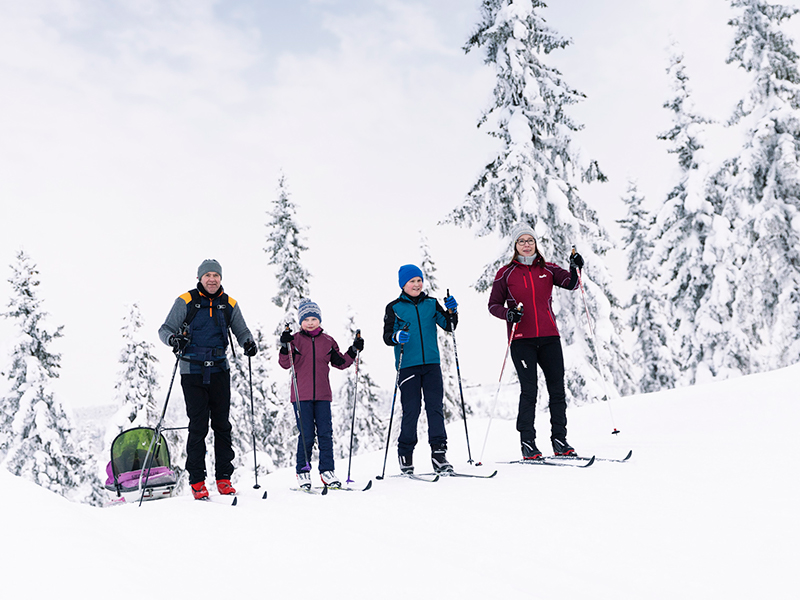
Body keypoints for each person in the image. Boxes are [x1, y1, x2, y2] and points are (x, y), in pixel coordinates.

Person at [158, 259, 257, 500]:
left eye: (216, 275)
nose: (212, 279)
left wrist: (248, 343)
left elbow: (241, 330)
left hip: (220, 370)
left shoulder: (228, 303)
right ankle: (198, 481)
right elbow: (164, 330)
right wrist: (174, 340)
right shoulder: (186, 301)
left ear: (221, 278)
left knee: (222, 425)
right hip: (192, 370)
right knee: (198, 425)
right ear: (199, 278)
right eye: (207, 275)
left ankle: (224, 479)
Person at [487, 224, 584, 460]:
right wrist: (508, 314)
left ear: (536, 243)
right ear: (515, 245)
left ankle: (560, 440)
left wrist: (576, 267)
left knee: (557, 390)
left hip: (550, 337)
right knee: (529, 391)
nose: (527, 244)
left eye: (530, 240)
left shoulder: (548, 269)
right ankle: (528, 443)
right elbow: (493, 305)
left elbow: (572, 283)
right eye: (522, 241)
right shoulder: (505, 273)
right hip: (522, 340)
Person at [278, 299, 363, 490]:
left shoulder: (328, 341)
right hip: (301, 396)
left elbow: (340, 362)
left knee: (325, 434)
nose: (310, 322)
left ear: (319, 320)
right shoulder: (295, 340)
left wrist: (354, 350)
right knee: (306, 434)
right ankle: (303, 471)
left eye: (313, 319)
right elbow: (285, 363)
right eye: (306, 319)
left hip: (323, 395)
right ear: (300, 322)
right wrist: (285, 345)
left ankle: (327, 471)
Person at [383, 264, 459, 474]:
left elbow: (449, 325)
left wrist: (452, 310)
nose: (416, 284)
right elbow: (387, 336)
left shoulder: (431, 303)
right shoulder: (394, 307)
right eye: (411, 281)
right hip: (408, 366)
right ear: (403, 285)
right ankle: (405, 453)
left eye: (419, 280)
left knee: (435, 408)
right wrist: (397, 336)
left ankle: (439, 454)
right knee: (412, 410)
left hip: (432, 364)